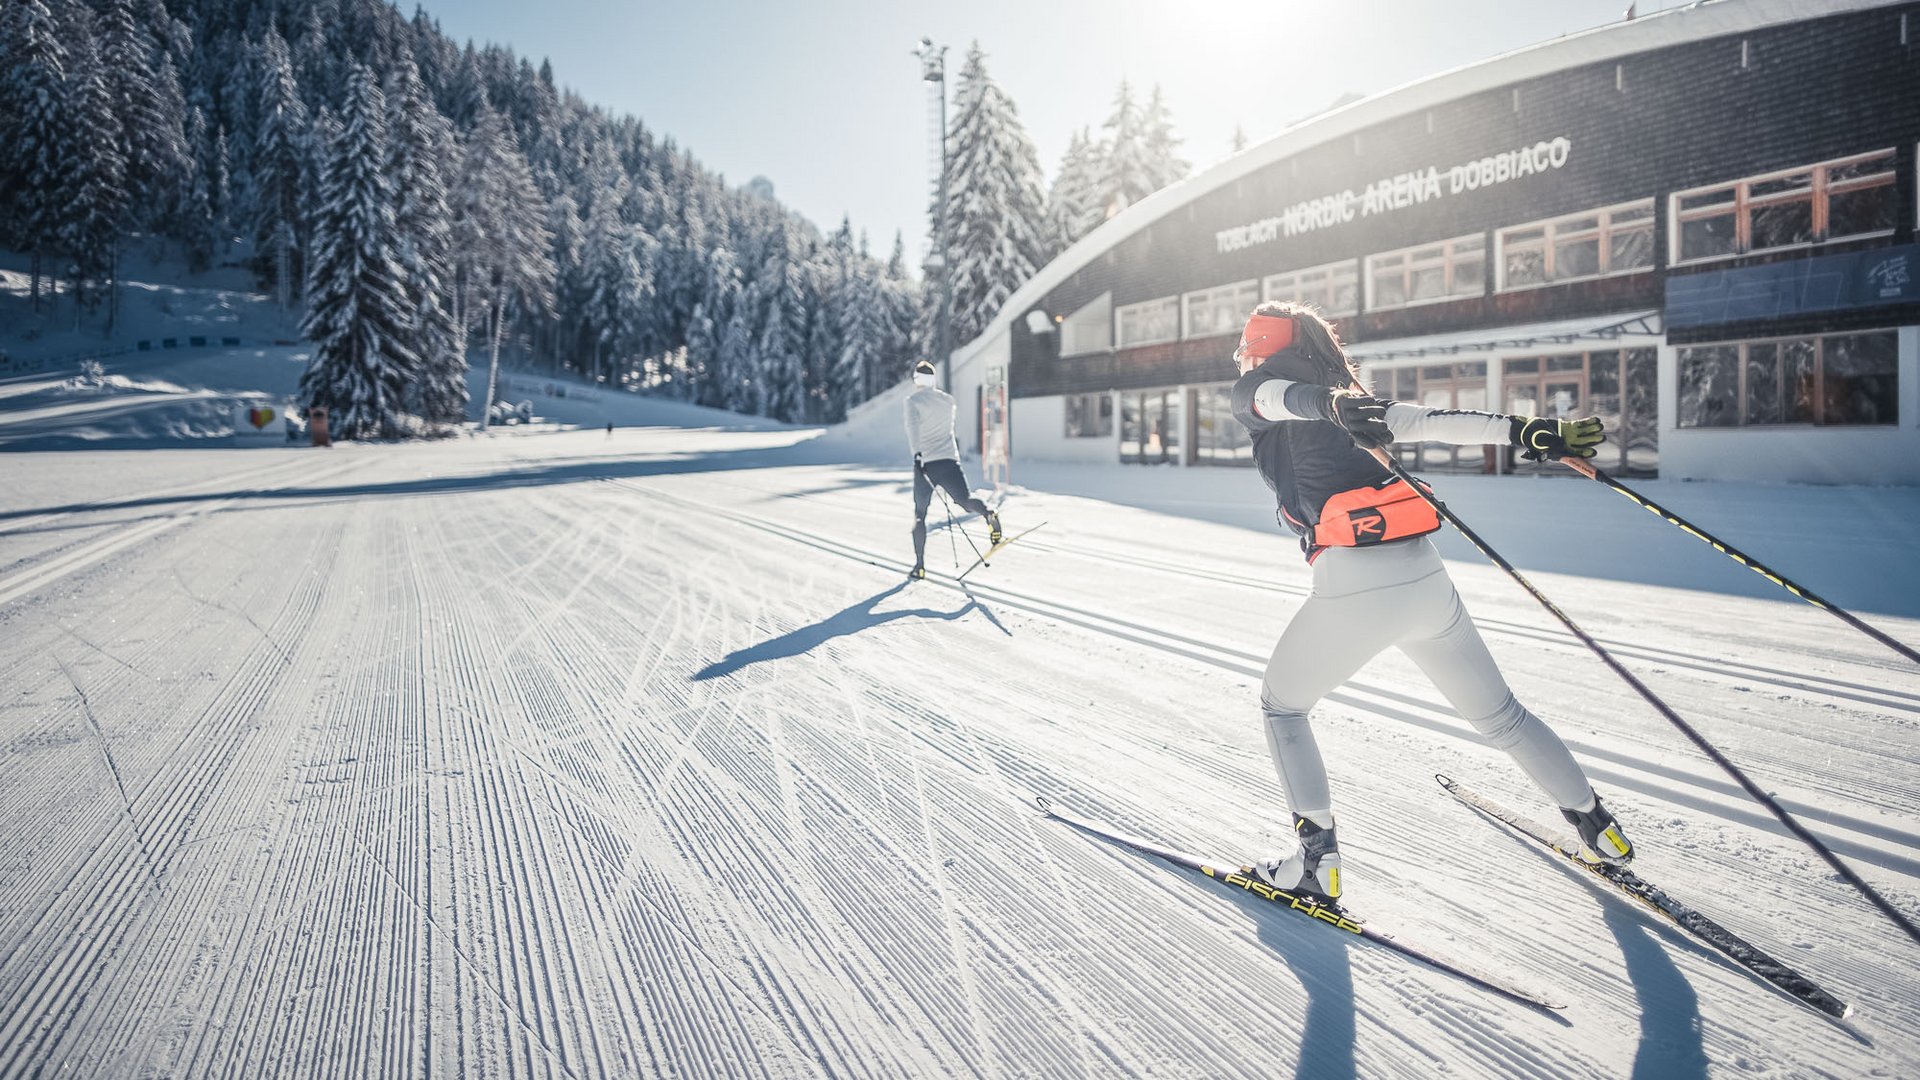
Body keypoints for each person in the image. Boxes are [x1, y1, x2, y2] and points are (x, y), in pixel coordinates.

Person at [1228, 300, 1632, 903]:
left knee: (1282, 708)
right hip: (1426, 581)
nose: (1245, 365)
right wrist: (1526, 431)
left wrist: (1331, 404)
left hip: (1353, 588)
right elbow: (1437, 418)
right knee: (1503, 717)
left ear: (1259, 352)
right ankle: (1600, 831)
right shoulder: (1350, 401)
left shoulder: (1264, 391)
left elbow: (1273, 400)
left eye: (1247, 353)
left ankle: (1316, 864)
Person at [903, 358, 1002, 579]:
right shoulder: (948, 401)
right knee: (965, 500)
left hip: (926, 464)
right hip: (949, 460)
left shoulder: (912, 401)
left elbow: (913, 429)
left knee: (920, 515)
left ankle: (919, 566)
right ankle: (988, 513)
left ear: (917, 380)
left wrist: (918, 454)